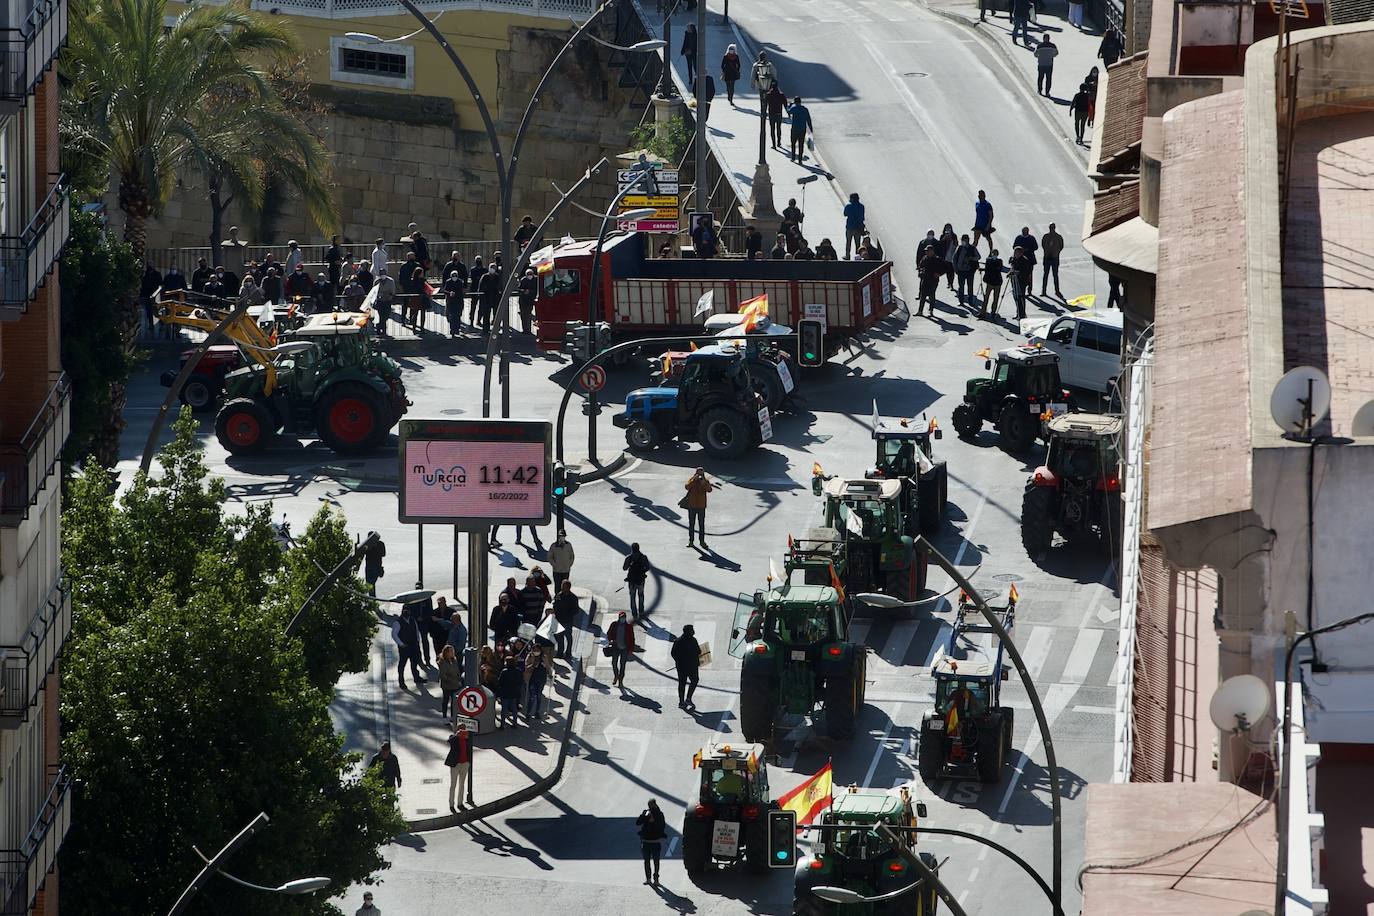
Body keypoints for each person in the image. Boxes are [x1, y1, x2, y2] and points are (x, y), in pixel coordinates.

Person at [684, 467, 716, 548]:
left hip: (701, 506)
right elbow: (687, 487)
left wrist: (704, 483)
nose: (699, 476)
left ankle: (702, 541)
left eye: (701, 474)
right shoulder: (692, 480)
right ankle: (691, 541)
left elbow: (709, 490)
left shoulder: (705, 481)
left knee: (701, 524)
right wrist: (693, 480)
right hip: (692, 505)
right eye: (698, 474)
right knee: (691, 524)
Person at [636, 799, 667, 885]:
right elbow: (638, 823)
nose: (650, 807)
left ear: (655, 805)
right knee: (647, 861)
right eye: (649, 805)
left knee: (656, 862)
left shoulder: (659, 814)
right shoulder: (646, 813)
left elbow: (662, 827)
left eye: (651, 805)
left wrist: (654, 821)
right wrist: (644, 816)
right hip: (646, 841)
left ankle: (656, 880)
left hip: (655, 842)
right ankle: (648, 879)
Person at [671, 624, 701, 709]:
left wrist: (678, 661)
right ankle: (688, 698)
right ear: (689, 632)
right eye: (692, 630)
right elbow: (698, 651)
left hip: (681, 667)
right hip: (692, 666)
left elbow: (673, 653)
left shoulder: (678, 641)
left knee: (682, 683)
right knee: (694, 680)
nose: (693, 631)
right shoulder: (693, 640)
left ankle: (681, 701)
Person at [446, 722, 472, 812]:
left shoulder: (467, 738)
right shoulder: (453, 738)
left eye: (464, 728)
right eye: (460, 728)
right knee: (453, 784)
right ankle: (451, 804)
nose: (462, 730)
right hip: (455, 764)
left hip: (465, 764)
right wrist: (457, 735)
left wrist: (468, 762)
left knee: (462, 784)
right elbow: (450, 741)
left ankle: (460, 803)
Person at [607, 610, 636, 687]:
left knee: (622, 665)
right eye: (621, 617)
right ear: (619, 618)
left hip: (625, 649)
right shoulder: (614, 625)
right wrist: (611, 640)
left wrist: (631, 650)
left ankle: (620, 680)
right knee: (614, 663)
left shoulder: (629, 627)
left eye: (624, 617)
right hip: (615, 647)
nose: (623, 619)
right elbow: (609, 633)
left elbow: (632, 639)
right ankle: (616, 675)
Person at [552, 579, 579, 660]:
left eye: (564, 587)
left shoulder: (573, 597)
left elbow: (576, 609)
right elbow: (555, 605)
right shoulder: (559, 595)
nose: (562, 588)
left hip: (567, 620)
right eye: (562, 586)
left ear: (568, 588)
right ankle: (560, 653)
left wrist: (569, 615)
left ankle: (568, 653)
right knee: (559, 637)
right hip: (559, 620)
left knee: (568, 636)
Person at [953, 234, 981, 308]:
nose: (963, 241)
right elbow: (954, 258)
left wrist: (971, 258)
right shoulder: (959, 248)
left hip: (970, 270)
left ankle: (970, 301)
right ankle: (961, 301)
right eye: (963, 240)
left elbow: (978, 257)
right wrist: (955, 268)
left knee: (970, 286)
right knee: (961, 286)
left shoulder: (972, 248)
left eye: (965, 240)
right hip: (961, 271)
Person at [917, 246, 946, 316]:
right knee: (922, 295)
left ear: (932, 251)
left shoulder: (937, 259)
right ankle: (920, 311)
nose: (927, 252)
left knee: (931, 294)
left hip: (933, 280)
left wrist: (939, 273)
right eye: (926, 251)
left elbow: (945, 268)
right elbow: (920, 266)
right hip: (925, 279)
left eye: (928, 251)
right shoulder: (924, 258)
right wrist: (920, 272)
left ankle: (931, 310)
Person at [139, 262, 163, 338]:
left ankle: (160, 324)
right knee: (149, 312)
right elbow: (143, 286)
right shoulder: (145, 275)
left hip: (156, 295)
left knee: (158, 310)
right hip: (147, 296)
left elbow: (161, 284)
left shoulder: (157, 274)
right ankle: (151, 324)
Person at [438, 645, 463, 719]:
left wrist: (459, 679)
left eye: (453, 651)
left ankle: (453, 716)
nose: (453, 653)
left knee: (454, 702)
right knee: (445, 701)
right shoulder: (443, 662)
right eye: (451, 651)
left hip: (455, 685)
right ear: (446, 653)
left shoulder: (454, 660)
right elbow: (443, 675)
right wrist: (452, 681)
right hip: (447, 686)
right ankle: (444, 717)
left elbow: (457, 671)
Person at [1040, 222, 1064, 297]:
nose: (1052, 229)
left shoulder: (1058, 237)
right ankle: (1044, 291)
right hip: (1047, 257)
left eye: (1053, 228)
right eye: (1051, 228)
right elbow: (1043, 245)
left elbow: (1061, 246)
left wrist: (1056, 252)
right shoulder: (1046, 236)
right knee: (1046, 275)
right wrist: (1048, 251)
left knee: (1055, 275)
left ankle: (1057, 290)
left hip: (1054, 258)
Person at [497, 659, 523, 728]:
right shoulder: (518, 671)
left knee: (504, 709)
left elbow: (500, 682)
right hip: (514, 692)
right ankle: (515, 723)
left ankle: (502, 724)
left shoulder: (504, 672)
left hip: (505, 692)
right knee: (514, 708)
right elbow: (521, 681)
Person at [1009, 246, 1033, 320]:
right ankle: (1018, 313)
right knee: (1016, 297)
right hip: (1014, 280)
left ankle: (1022, 314)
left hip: (1022, 281)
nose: (1016, 254)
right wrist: (1010, 273)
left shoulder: (1024, 260)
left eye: (1018, 252)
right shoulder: (1013, 259)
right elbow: (1012, 268)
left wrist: (1018, 273)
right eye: (1015, 252)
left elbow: (1026, 271)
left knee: (1021, 297)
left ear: (1021, 253)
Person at [787, 96, 813, 162]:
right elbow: (808, 119)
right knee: (801, 144)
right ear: (800, 102)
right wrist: (810, 129)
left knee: (793, 143)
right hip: (802, 129)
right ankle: (800, 160)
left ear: (795, 102)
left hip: (795, 128)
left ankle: (793, 158)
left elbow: (788, 111)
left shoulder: (794, 108)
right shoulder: (805, 109)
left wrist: (790, 104)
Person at [840, 193, 866, 259]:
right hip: (858, 228)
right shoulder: (862, 206)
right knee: (858, 243)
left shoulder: (848, 206)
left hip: (850, 227)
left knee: (848, 242)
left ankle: (847, 255)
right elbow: (862, 217)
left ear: (851, 199)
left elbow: (845, 214)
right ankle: (858, 256)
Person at [981, 249, 1005, 318]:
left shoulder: (999, 261)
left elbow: (999, 269)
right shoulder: (988, 260)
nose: (994, 255)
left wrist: (992, 269)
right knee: (986, 297)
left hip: (997, 282)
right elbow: (987, 269)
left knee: (996, 298)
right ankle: (983, 313)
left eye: (995, 254)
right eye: (993, 253)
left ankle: (993, 312)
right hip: (990, 282)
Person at [525, 651, 549, 721]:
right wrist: (533, 664)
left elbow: (548, 668)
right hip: (532, 680)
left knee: (539, 696)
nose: (536, 652)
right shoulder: (530, 656)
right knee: (532, 697)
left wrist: (546, 663)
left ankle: (537, 712)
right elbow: (526, 667)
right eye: (534, 650)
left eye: (537, 650)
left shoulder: (544, 657)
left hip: (541, 680)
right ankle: (528, 713)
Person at [478, 263, 502, 333]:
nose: (493, 269)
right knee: (486, 314)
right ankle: (486, 329)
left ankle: (496, 328)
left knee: (496, 314)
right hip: (486, 298)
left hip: (495, 298)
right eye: (491, 267)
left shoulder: (497, 276)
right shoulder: (485, 276)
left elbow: (499, 286)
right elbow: (481, 287)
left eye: (494, 268)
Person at [443, 270, 466, 336]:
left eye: (456, 275)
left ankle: (457, 329)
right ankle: (452, 330)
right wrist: (449, 293)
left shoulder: (460, 282)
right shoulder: (448, 282)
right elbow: (445, 290)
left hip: (458, 301)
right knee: (452, 316)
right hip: (451, 301)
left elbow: (461, 291)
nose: (454, 277)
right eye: (453, 276)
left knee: (458, 316)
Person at [373, 267, 396, 336]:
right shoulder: (376, 281)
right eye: (381, 273)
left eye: (384, 273)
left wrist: (388, 295)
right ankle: (383, 330)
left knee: (386, 316)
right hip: (380, 301)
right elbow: (374, 291)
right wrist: (380, 295)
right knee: (381, 316)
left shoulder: (391, 281)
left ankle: (379, 326)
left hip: (387, 301)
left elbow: (392, 291)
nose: (383, 275)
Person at [765, 81, 787, 148]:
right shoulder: (781, 95)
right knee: (778, 128)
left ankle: (774, 144)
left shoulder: (768, 94)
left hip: (771, 114)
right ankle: (779, 142)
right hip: (779, 113)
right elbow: (785, 104)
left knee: (772, 129)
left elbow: (765, 103)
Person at [517, 268, 538, 335]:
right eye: (528, 274)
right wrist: (524, 291)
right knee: (523, 315)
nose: (529, 275)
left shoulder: (536, 280)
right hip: (523, 300)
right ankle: (525, 329)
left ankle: (528, 330)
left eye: (530, 274)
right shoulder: (523, 280)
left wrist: (530, 291)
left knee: (528, 315)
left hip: (531, 300)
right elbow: (519, 289)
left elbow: (537, 289)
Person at [939, 223, 959, 290]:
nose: (948, 229)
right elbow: (939, 244)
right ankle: (949, 282)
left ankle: (951, 283)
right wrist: (944, 239)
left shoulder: (954, 236)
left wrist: (952, 239)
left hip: (952, 256)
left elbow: (957, 244)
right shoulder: (942, 236)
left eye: (949, 228)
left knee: (952, 270)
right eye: (947, 228)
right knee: (947, 270)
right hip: (945, 256)